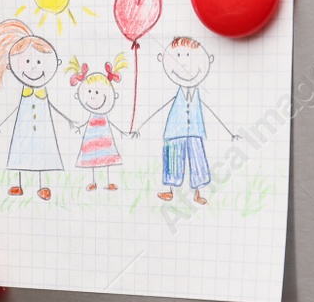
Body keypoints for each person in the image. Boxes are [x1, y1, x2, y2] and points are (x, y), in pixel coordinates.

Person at [0, 19, 77, 200]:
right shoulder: (24, 92)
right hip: (23, 127)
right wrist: (1, 124)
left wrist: (68, 119)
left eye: (38, 61)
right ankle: (19, 185)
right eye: (28, 60)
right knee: (21, 151)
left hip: (43, 128)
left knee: (42, 152)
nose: (33, 66)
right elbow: (16, 110)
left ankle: (42, 186)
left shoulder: (42, 92)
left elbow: (51, 106)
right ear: (10, 65)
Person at [134, 36, 238, 205]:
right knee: (173, 160)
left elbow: (210, 110)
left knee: (198, 161)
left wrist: (230, 132)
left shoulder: (197, 93)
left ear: (208, 60)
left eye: (190, 58)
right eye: (179, 58)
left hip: (196, 131)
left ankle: (197, 192)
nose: (184, 66)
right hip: (174, 132)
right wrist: (141, 126)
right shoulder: (176, 93)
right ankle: (170, 191)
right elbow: (161, 107)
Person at [68, 57, 126, 191]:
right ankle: (93, 182)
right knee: (93, 158)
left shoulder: (104, 116)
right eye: (89, 92)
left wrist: (122, 132)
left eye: (97, 92)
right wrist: (78, 126)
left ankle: (108, 181)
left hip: (104, 137)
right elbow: (86, 123)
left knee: (105, 157)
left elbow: (111, 124)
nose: (93, 96)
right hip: (92, 138)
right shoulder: (92, 117)